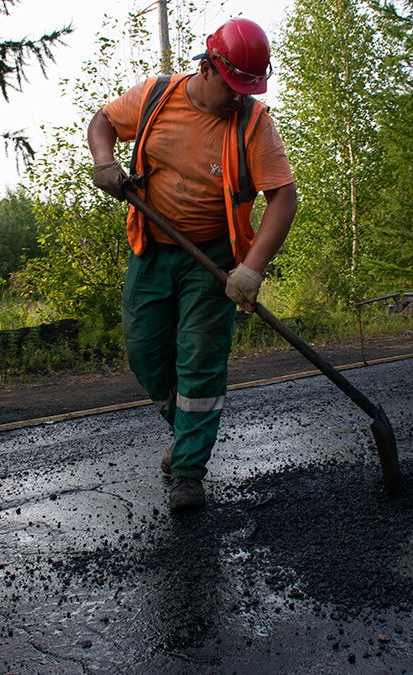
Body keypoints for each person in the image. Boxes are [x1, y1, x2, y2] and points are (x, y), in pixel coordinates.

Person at [87, 17, 297, 513]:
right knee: (144, 353)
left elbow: (283, 198)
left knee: (199, 361)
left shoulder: (254, 123)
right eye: (234, 85)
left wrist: (252, 269)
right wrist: (104, 162)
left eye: (249, 87)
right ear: (208, 67)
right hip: (153, 248)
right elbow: (101, 122)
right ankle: (186, 434)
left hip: (214, 259)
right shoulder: (156, 96)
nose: (239, 96)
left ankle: (188, 473)